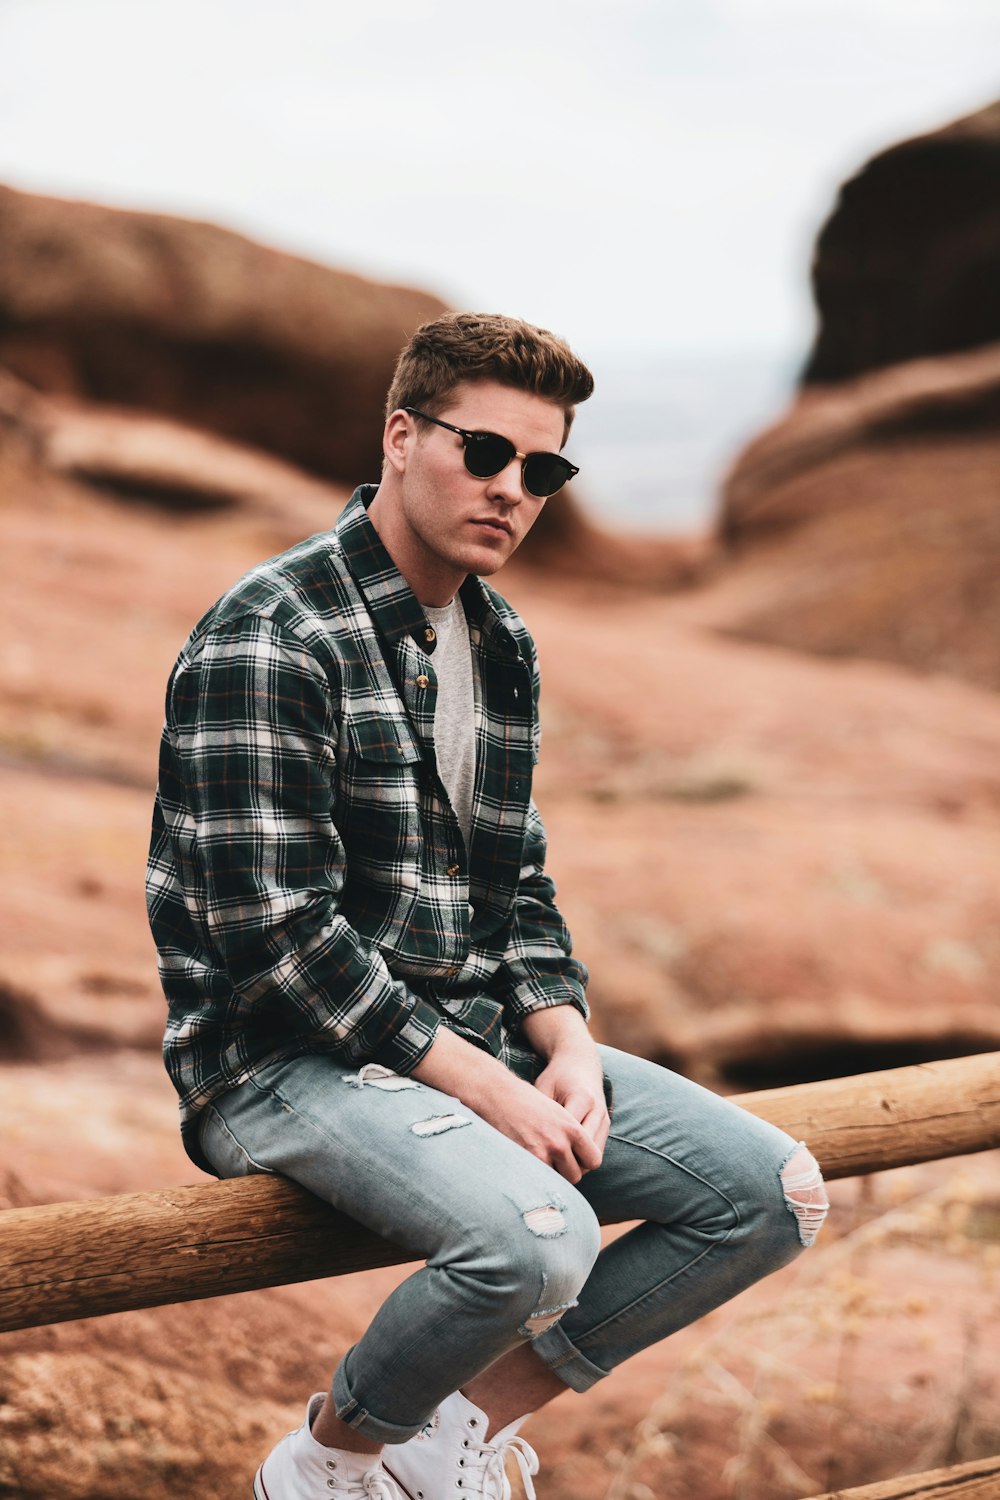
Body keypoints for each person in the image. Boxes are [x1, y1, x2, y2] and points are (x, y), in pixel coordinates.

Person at [146, 311, 829, 1500]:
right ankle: (332, 1457)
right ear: (401, 437)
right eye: (485, 453)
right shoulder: (273, 633)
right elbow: (269, 932)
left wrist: (559, 1039)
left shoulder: (496, 638)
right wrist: (486, 1085)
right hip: (276, 1057)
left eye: (544, 469)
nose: (513, 489)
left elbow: (515, 882)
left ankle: (450, 1426)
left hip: (465, 1036)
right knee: (539, 1239)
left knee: (770, 1196)